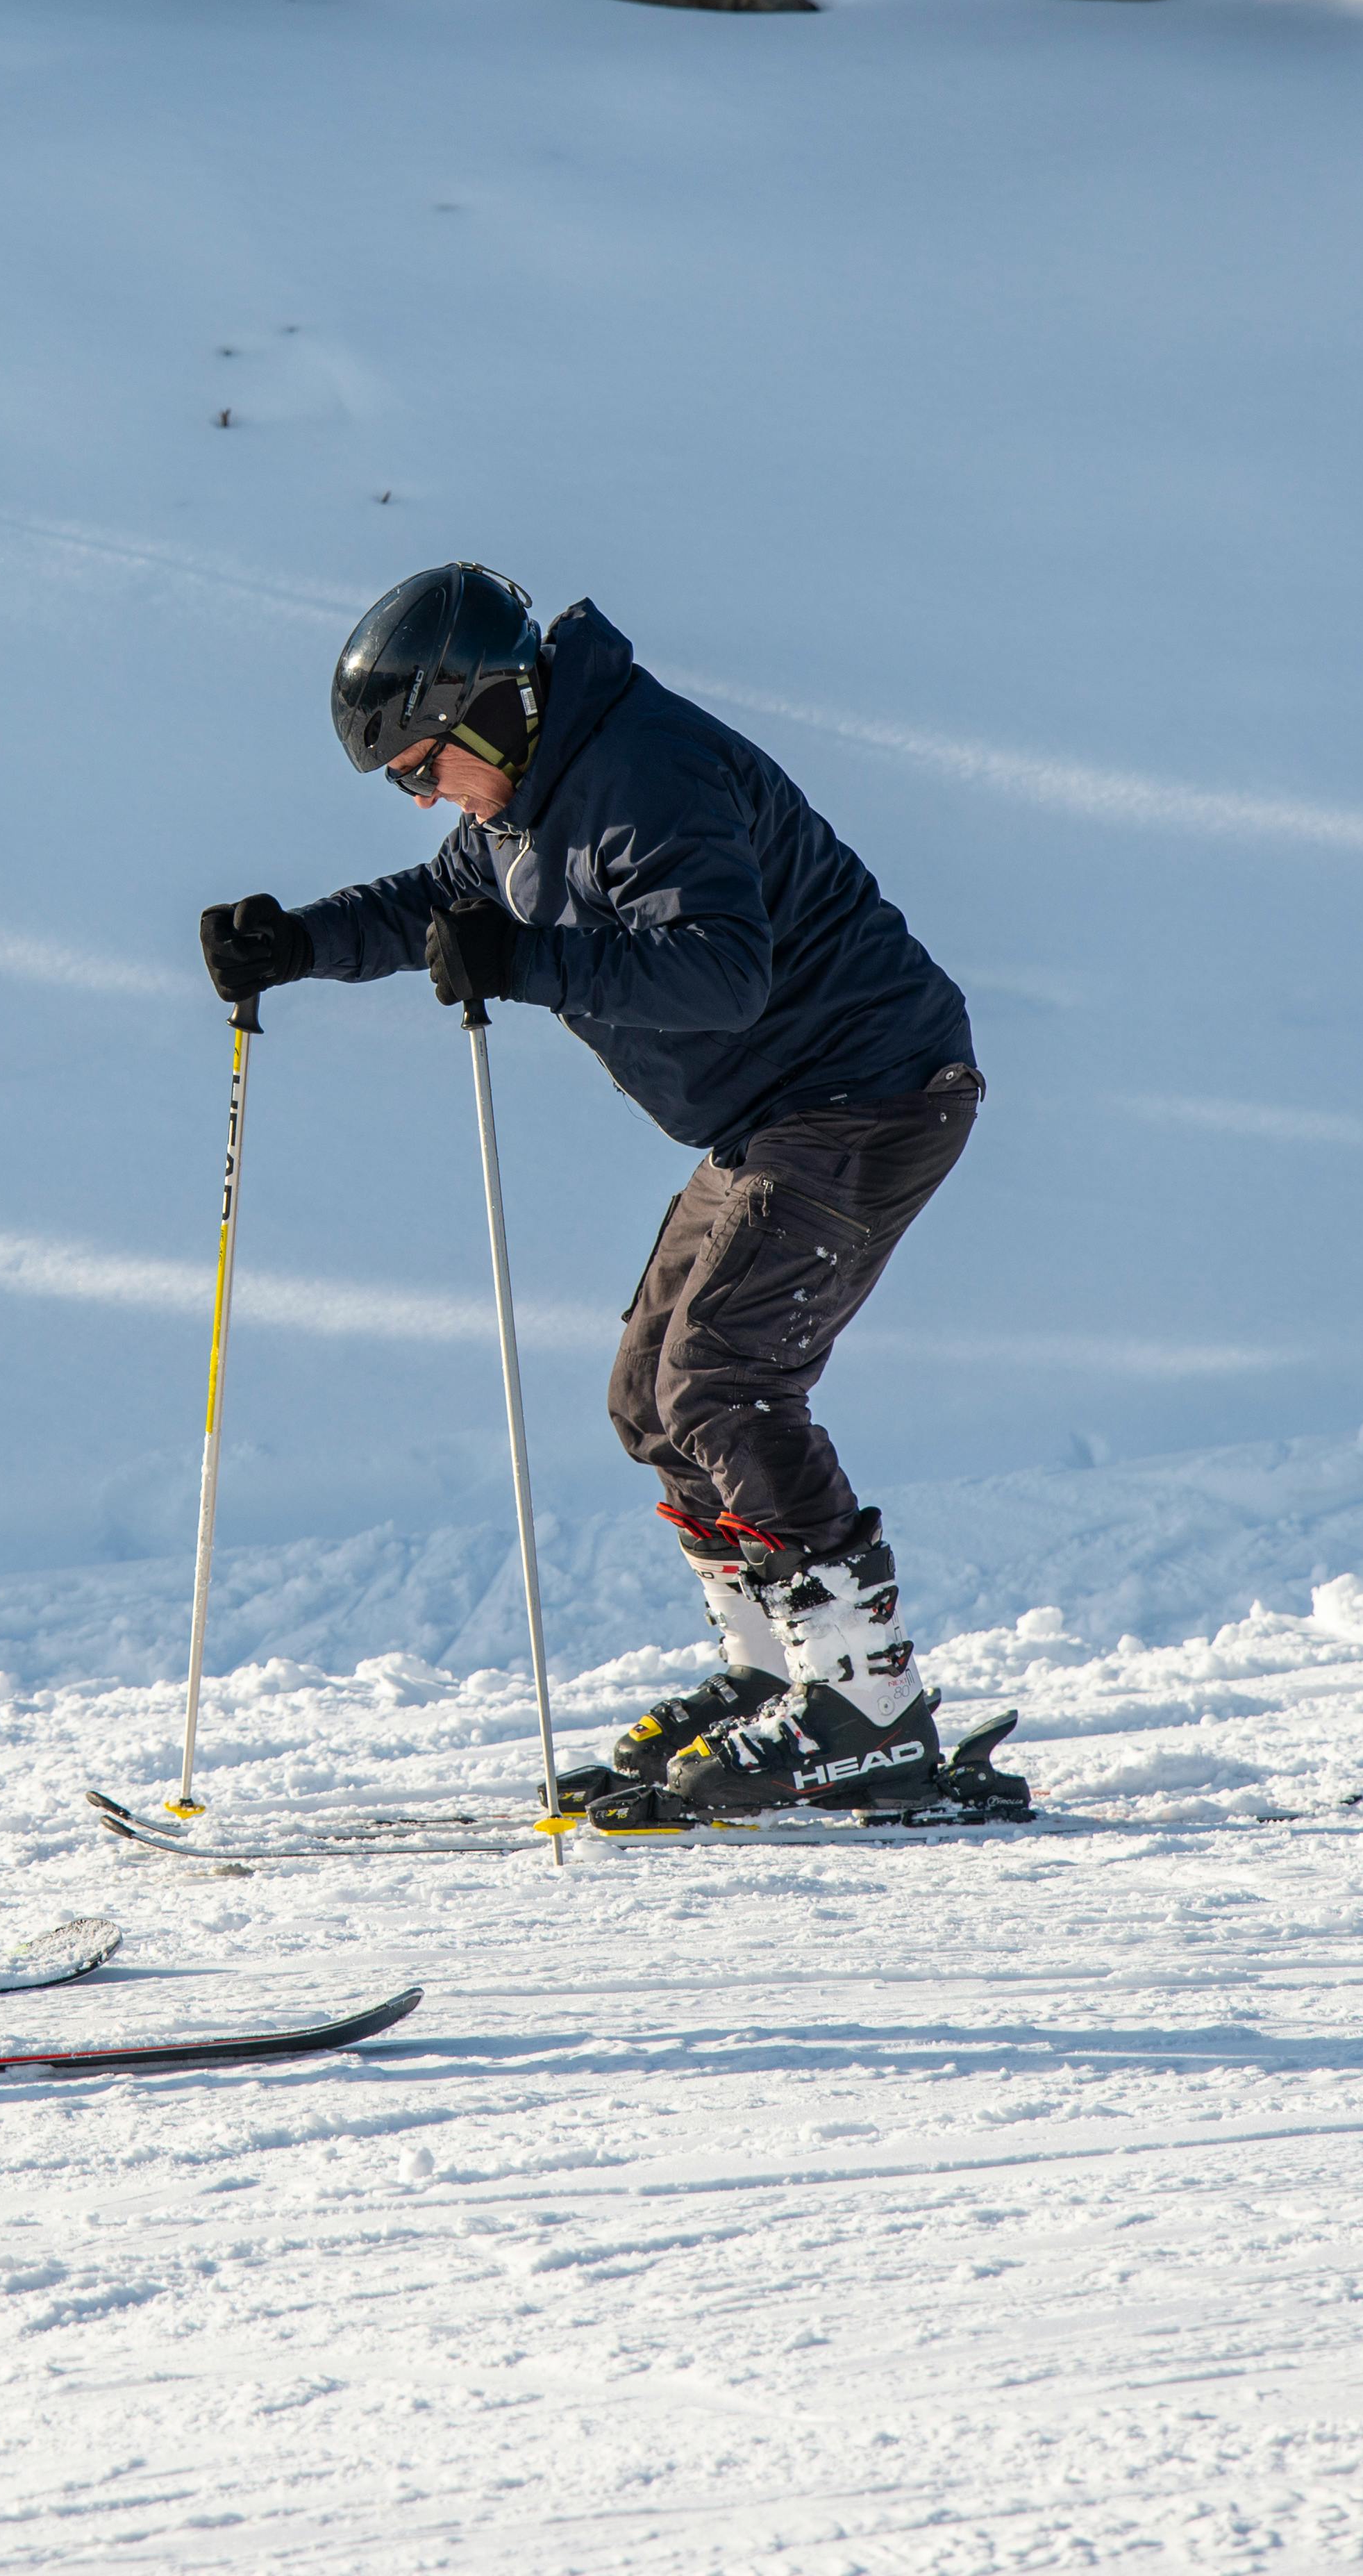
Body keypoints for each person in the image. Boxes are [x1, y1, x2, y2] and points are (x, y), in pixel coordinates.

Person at [196, 565, 1020, 1825]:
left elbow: (719, 973)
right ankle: (775, 1679)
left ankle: (868, 1709)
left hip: (872, 1091)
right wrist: (296, 943)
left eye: (422, 767)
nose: (422, 797)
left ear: (487, 711)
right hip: (776, 1116)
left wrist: (522, 961)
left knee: (726, 1378)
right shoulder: (536, 785)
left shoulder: (643, 771)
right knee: (651, 1392)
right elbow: (441, 901)